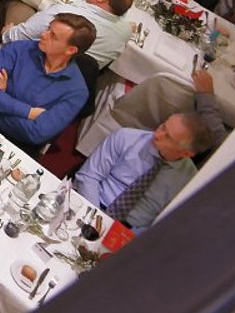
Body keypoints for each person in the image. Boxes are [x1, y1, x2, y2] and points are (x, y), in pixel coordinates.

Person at [75, 85, 223, 229]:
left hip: (130, 230)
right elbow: (88, 177)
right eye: (163, 126)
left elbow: (169, 222)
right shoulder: (126, 138)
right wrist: (97, 221)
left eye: (168, 137)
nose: (157, 134)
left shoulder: (189, 181)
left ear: (186, 153)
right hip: (94, 204)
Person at [0, 13, 96, 148]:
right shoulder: (18, 48)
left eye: (53, 36)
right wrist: (28, 112)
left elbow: (36, 133)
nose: (43, 35)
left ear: (70, 50)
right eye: (48, 29)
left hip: (17, 143)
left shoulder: (77, 91)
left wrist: (0, 99)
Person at [0, 0, 137, 67]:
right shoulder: (126, 31)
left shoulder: (65, 16)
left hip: (30, 65)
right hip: (65, 84)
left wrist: (8, 31)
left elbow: (15, 38)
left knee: (17, 3)